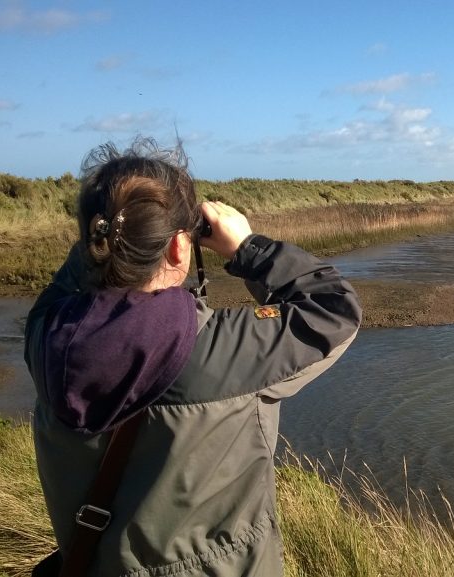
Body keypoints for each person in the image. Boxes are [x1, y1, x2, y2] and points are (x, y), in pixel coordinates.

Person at [24, 138, 362, 575]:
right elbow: (335, 309)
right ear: (180, 248)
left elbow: (73, 280)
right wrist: (248, 247)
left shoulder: (47, 331)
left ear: (94, 238)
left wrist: (110, 231)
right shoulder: (221, 351)